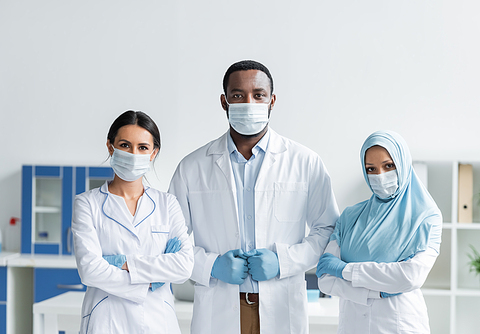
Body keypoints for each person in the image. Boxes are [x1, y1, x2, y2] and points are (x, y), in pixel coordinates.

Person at [168, 60, 340, 334]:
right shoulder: (193, 167)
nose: (249, 103)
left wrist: (284, 261)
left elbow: (328, 230)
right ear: (224, 102)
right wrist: (211, 265)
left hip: (281, 305)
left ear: (272, 101)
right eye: (238, 95)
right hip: (219, 308)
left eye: (258, 95)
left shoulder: (305, 162)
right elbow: (170, 240)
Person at [72, 110, 194, 334]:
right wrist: (150, 280)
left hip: (158, 321)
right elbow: (90, 270)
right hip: (106, 321)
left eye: (143, 147)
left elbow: (184, 266)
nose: (133, 153)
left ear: (153, 153)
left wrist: (121, 262)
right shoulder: (87, 204)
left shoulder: (168, 204)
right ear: (111, 147)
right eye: (125, 145)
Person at [316, 130, 442, 334]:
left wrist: (344, 270)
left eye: (388, 166)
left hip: (400, 326)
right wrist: (381, 290)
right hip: (352, 325)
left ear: (402, 163)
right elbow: (325, 280)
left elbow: (410, 277)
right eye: (371, 169)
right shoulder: (350, 217)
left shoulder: (426, 217)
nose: (380, 176)